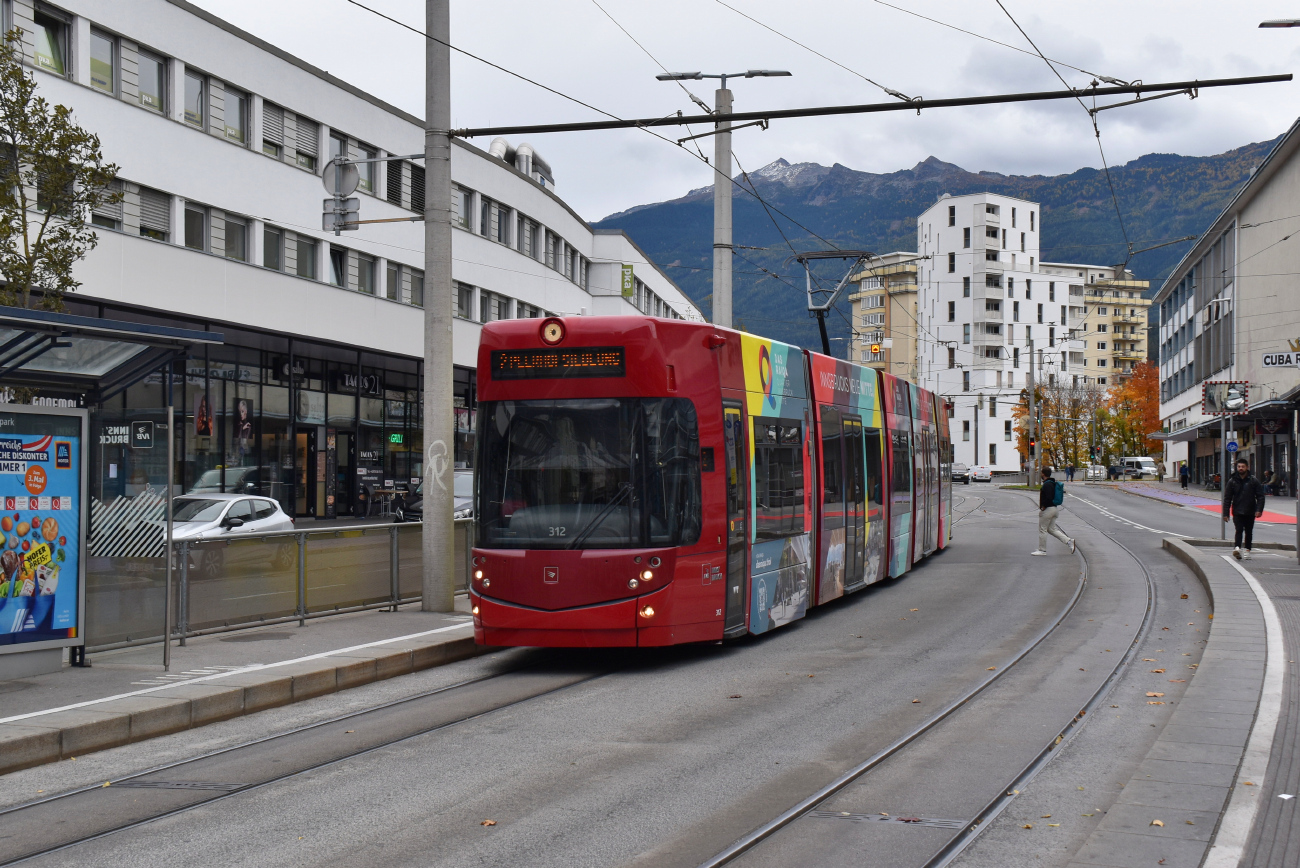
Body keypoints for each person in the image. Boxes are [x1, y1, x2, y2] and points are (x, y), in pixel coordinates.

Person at [1223, 458, 1266, 560]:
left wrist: (1259, 510)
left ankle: (1247, 550)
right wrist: (1226, 513)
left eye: (1242, 466)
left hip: (1250, 510)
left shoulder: (1253, 481)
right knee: (1238, 530)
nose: (1240, 468)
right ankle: (1237, 548)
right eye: (1239, 467)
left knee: (1248, 531)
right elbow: (1227, 498)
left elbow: (1260, 496)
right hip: (1237, 510)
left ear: (1247, 467)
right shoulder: (1232, 481)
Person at [1032, 467, 1076, 556]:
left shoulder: (1047, 485)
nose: (1040, 474)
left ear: (1043, 474)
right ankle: (1069, 541)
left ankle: (1042, 550)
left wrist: (1043, 507)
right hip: (1054, 509)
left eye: (1041, 473)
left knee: (1042, 529)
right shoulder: (1052, 483)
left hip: (1048, 509)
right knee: (1051, 529)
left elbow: (1048, 497)